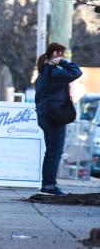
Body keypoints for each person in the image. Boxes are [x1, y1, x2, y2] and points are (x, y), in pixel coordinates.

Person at [34, 42, 82, 196]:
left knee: (50, 152)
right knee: (55, 152)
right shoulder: (55, 74)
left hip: (44, 116)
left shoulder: (42, 75)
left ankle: (46, 185)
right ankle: (50, 185)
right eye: (62, 54)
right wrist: (62, 63)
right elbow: (76, 72)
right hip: (55, 117)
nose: (64, 57)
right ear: (55, 54)